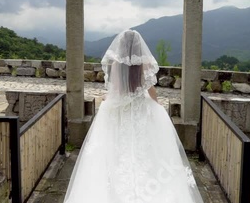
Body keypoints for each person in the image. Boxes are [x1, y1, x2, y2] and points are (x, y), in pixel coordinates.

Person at [64, 30, 203, 203]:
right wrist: (156, 103)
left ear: (121, 46)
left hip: (119, 110)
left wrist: (108, 99)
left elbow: (115, 90)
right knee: (145, 146)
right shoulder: (143, 64)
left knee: (116, 145)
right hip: (140, 107)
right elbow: (150, 88)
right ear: (138, 46)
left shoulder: (116, 64)